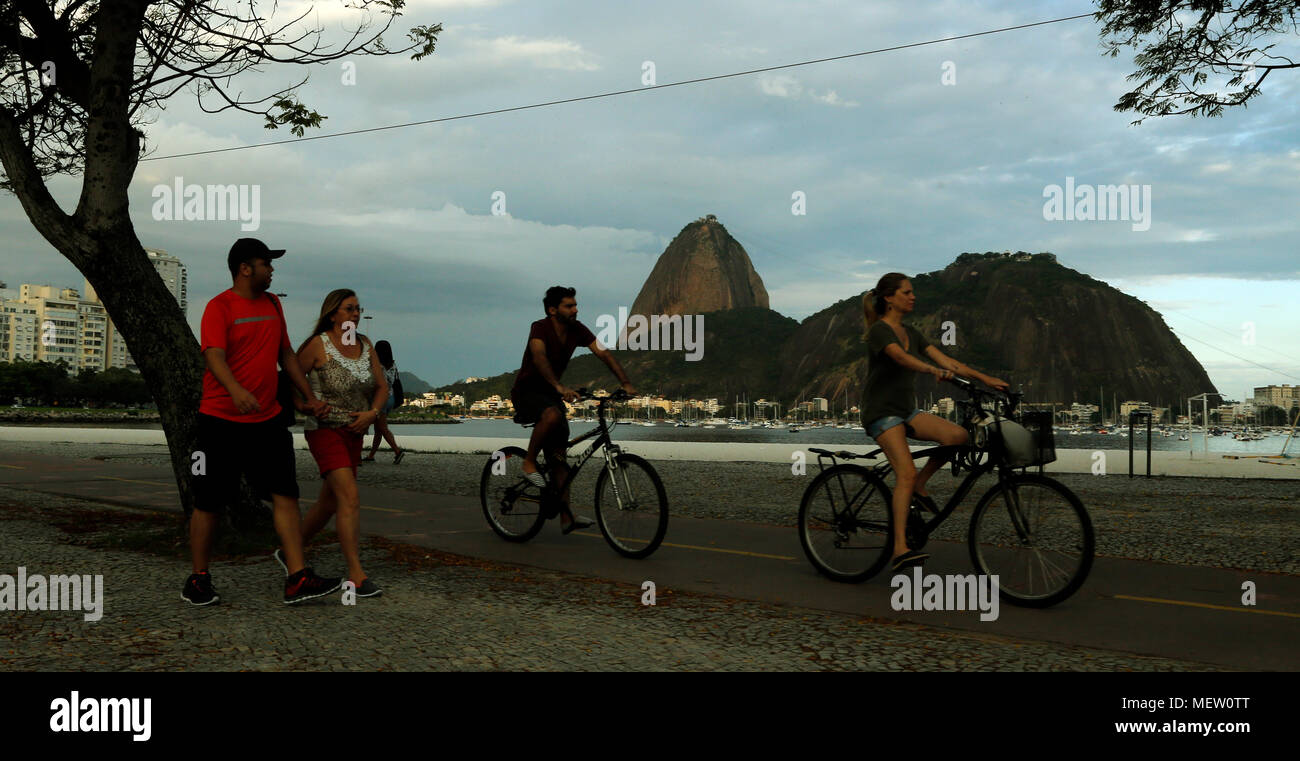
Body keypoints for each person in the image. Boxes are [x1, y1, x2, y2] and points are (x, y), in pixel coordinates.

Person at [184, 238, 342, 606]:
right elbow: (214, 357)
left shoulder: (273, 303)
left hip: (268, 420)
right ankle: (198, 578)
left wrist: (308, 397)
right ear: (245, 268)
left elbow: (286, 354)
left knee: (285, 494)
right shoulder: (219, 307)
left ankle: (297, 577)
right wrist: (236, 391)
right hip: (219, 421)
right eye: (266, 263)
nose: (272, 270)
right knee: (209, 502)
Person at [860, 272, 1009, 572]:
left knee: (958, 436)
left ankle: (920, 485)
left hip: (905, 411)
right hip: (881, 413)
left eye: (912, 292)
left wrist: (985, 379)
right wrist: (930, 371)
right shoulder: (879, 331)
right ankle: (900, 548)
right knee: (904, 473)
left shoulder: (913, 333)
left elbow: (949, 362)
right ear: (889, 298)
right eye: (907, 292)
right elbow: (899, 358)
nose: (913, 296)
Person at [285, 289, 390, 598]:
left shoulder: (366, 346)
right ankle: (356, 575)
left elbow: (382, 387)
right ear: (333, 314)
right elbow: (291, 377)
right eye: (349, 309)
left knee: (330, 503)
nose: (355, 314)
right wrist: (304, 405)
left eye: (358, 309)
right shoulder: (318, 345)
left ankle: (288, 550)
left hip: (355, 432)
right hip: (325, 430)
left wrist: (372, 414)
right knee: (350, 498)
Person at [511, 286, 635, 534]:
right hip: (527, 392)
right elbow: (539, 357)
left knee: (559, 459)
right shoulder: (540, 327)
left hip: (551, 394)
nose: (575, 310)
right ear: (552, 310)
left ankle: (566, 517)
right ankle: (528, 462)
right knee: (553, 414)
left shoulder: (577, 329)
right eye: (569, 306)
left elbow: (604, 353)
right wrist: (558, 385)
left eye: (575, 305)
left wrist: (626, 383)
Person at [363, 340, 404, 464]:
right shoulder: (393, 365)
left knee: (382, 428)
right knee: (378, 429)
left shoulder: (376, 364)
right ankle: (371, 455)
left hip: (380, 398)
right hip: (391, 398)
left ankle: (397, 451)